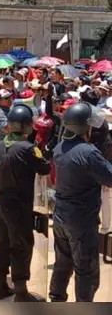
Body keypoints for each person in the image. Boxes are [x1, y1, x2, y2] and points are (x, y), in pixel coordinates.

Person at [48, 102, 112, 302]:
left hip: (60, 216)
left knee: (62, 263)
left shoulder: (60, 147)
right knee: (86, 270)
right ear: (86, 127)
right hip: (81, 220)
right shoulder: (88, 152)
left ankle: (56, 299)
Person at [0, 103, 50, 302]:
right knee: (21, 246)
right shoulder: (28, 148)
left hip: (0, 204)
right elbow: (45, 169)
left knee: (2, 244)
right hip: (18, 206)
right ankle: (20, 291)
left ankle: (0, 286)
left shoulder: (1, 145)